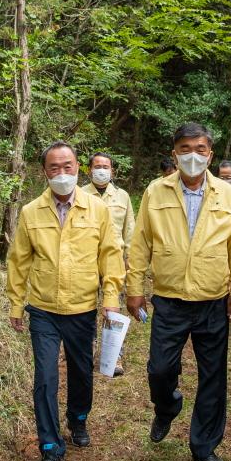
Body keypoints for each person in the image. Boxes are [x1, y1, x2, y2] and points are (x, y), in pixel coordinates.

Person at [126, 123, 231, 461]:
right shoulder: (155, 191)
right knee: (160, 369)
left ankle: (204, 446)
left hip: (213, 299)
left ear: (210, 153)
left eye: (200, 149)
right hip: (170, 298)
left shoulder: (228, 195)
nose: (193, 155)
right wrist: (134, 288)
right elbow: (141, 242)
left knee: (213, 376)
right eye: (185, 148)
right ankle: (167, 406)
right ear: (174, 152)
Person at [6, 141, 125, 461]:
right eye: (54, 168)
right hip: (42, 308)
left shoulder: (97, 209)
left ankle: (78, 417)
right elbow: (19, 261)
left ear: (78, 168)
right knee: (45, 378)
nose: (61, 174)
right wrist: (16, 302)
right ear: (45, 172)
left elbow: (110, 255)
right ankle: (50, 449)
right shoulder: (31, 212)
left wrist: (111, 297)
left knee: (81, 371)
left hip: (82, 307)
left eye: (68, 167)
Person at [83, 152, 136, 376]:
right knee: (86, 309)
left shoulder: (122, 197)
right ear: (89, 170)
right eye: (97, 166)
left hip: (115, 262)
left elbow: (130, 231)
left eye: (106, 166)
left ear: (112, 171)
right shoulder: (80, 194)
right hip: (86, 260)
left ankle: (114, 357)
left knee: (114, 309)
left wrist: (130, 261)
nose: (102, 170)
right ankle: (86, 353)